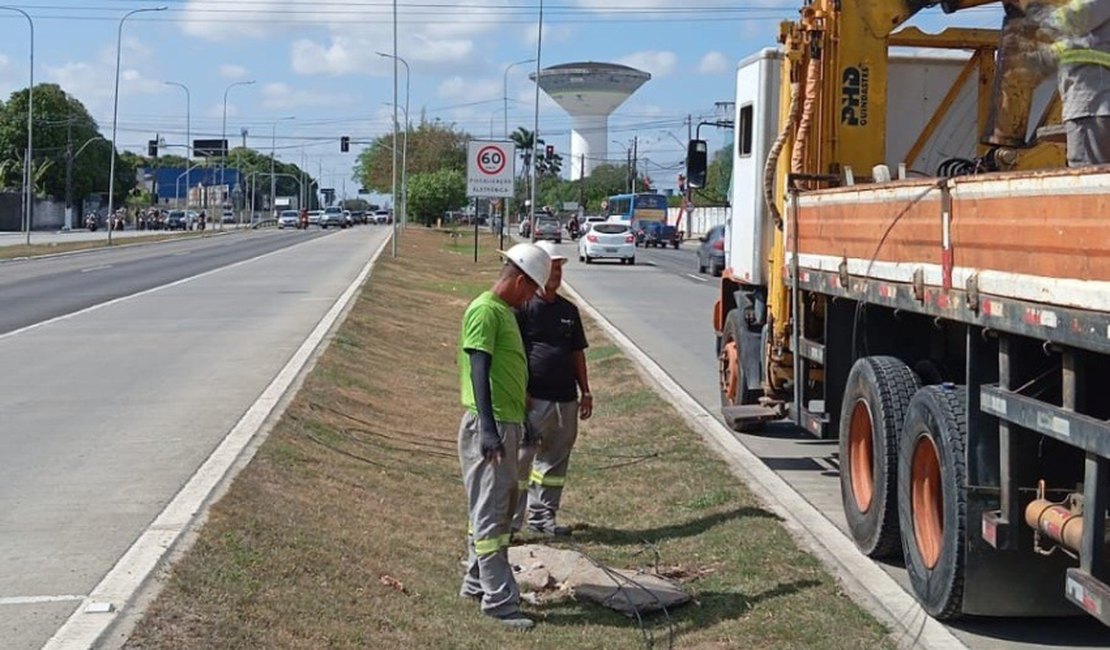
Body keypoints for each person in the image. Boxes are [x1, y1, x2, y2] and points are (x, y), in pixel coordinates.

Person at [457, 242, 552, 630]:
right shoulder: (484, 311)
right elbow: (479, 370)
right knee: (492, 515)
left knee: (496, 506)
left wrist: (523, 420)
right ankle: (499, 602)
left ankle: (476, 583)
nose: (531, 298)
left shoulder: (505, 313)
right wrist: (490, 430)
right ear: (517, 279)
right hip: (490, 424)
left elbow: (508, 373)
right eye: (530, 289)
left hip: (507, 421)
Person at [513, 240, 593, 538]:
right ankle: (510, 523)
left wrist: (585, 391)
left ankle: (543, 517)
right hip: (534, 400)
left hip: (565, 400)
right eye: (552, 268)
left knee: (555, 461)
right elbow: (515, 353)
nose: (557, 274)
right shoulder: (523, 308)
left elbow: (577, 353)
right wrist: (521, 391)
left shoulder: (569, 310)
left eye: (559, 269)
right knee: (522, 462)